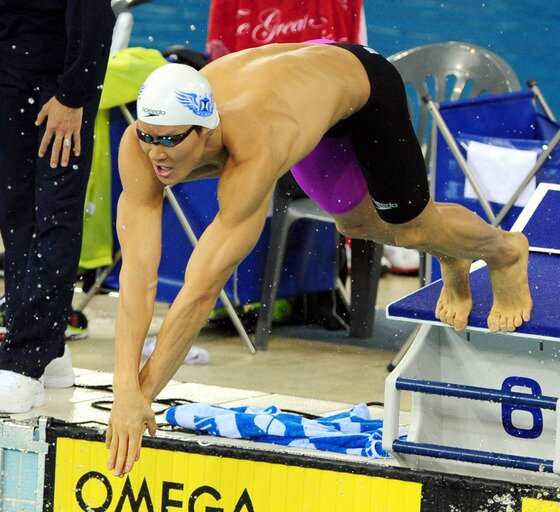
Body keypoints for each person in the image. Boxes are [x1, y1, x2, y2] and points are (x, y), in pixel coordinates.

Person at [107, 43, 532, 477]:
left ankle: (504, 252)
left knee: (411, 227)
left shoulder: (255, 150)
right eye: (147, 135)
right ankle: (454, 254)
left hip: (358, 85)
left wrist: (143, 396)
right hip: (299, 93)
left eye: (170, 140)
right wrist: (127, 392)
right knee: (357, 224)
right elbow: (137, 278)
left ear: (205, 130)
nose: (156, 152)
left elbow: (201, 293)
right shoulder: (139, 148)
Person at [0, 0, 115, 413]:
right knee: (16, 215)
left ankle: (26, 361)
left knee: (55, 215)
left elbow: (96, 15)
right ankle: (43, 342)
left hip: (58, 84)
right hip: (11, 74)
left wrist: (73, 93)